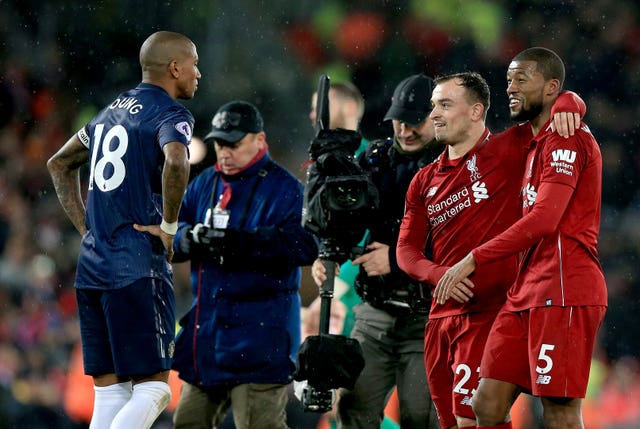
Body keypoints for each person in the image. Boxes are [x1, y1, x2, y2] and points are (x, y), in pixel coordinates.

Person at [396, 72, 585, 428]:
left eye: (445, 104)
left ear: (475, 111)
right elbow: (405, 250)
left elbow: (553, 107)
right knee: (454, 423)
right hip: (439, 317)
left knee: (476, 417)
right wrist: (440, 275)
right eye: (433, 105)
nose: (434, 113)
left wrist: (571, 100)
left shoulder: (510, 147)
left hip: (489, 311)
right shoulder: (424, 180)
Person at [435, 47, 606, 429]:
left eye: (521, 80)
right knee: (487, 403)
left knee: (560, 412)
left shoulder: (565, 136)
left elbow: (545, 220)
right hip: (526, 291)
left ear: (549, 89)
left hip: (563, 288)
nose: (510, 88)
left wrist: (474, 258)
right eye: (509, 79)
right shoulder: (526, 142)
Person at [46, 30, 199, 429]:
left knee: (112, 392)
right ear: (174, 67)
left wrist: (87, 228)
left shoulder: (108, 111)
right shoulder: (169, 114)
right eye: (194, 64)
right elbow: (178, 161)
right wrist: (168, 226)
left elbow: (58, 164)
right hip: (135, 265)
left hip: (92, 266)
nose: (198, 73)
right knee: (155, 389)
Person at [169, 100, 318, 429]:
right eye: (220, 143)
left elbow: (307, 245)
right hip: (208, 337)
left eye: (233, 144)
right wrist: (188, 238)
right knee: (187, 424)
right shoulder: (205, 183)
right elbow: (171, 235)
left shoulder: (285, 190)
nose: (224, 152)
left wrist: (241, 243)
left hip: (261, 340)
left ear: (259, 140)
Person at [311, 73, 441, 428]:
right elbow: (347, 215)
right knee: (352, 409)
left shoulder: (455, 168)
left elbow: (461, 245)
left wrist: (398, 262)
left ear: (437, 118)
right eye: (399, 121)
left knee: (421, 415)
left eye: (415, 122)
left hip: (426, 317)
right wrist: (329, 252)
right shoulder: (375, 159)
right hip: (375, 311)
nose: (404, 130)